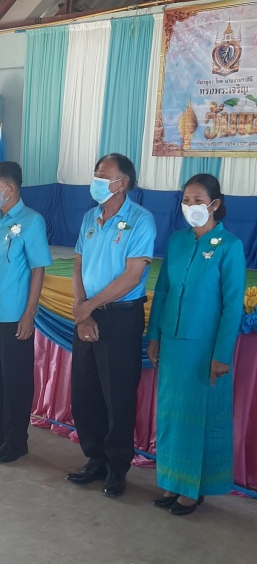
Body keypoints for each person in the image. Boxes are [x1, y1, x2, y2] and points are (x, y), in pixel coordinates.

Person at [147, 174, 245, 516]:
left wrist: (221, 355)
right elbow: (162, 291)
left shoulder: (229, 246)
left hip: (203, 349)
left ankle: (193, 489)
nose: (190, 206)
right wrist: (154, 336)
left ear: (215, 204)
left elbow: (232, 306)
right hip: (172, 344)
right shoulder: (176, 241)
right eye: (186, 200)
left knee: (196, 420)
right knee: (171, 417)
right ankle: (172, 482)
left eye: (198, 200)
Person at [66, 153, 156, 497]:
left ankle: (117, 467)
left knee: (117, 394)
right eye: (96, 174)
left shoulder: (141, 220)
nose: (97, 180)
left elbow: (132, 276)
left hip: (120, 316)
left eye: (104, 175)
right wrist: (83, 309)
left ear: (123, 183)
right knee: (85, 390)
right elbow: (78, 265)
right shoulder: (90, 217)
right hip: (87, 312)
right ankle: (95, 459)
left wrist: (88, 307)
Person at [0, 161, 52, 463]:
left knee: (15, 381)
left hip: (14, 315)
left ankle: (16, 441)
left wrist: (29, 314)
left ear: (11, 188)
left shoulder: (32, 221)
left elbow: (38, 269)